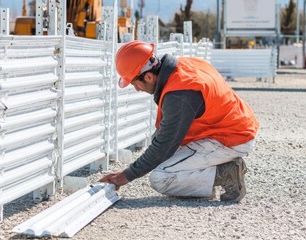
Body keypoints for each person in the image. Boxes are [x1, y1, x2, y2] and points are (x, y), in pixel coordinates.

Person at [99, 41, 259, 202]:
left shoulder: (180, 94)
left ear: (148, 76)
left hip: (231, 139)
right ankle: (206, 180)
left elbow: (164, 146)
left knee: (161, 177)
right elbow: (164, 136)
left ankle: (227, 173)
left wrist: (125, 176)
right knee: (163, 160)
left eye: (135, 83)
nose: (137, 89)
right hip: (232, 126)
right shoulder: (184, 66)